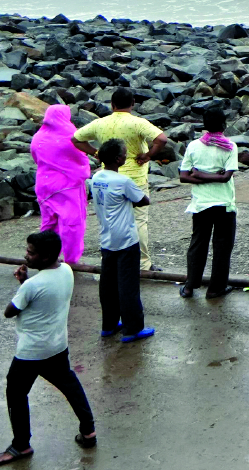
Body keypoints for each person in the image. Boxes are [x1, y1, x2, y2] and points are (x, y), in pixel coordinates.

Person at [0, 231, 94, 467]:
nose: (26, 255)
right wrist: (26, 282)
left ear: (45, 257)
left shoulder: (32, 285)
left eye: (31, 253)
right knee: (69, 384)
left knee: (15, 393)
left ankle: (21, 445)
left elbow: (10, 311)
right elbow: (45, 295)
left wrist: (23, 285)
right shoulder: (66, 270)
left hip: (31, 351)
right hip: (57, 345)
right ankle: (88, 430)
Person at [72, 89, 170, 270]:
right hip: (134, 178)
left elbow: (76, 139)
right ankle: (143, 264)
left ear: (112, 104)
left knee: (109, 218)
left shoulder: (100, 123)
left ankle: (111, 259)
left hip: (108, 178)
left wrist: (96, 152)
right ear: (133, 103)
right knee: (139, 220)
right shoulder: (138, 123)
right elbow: (161, 139)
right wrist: (148, 155)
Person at [89, 139, 151, 342]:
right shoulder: (122, 181)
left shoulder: (96, 177)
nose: (127, 156)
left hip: (106, 237)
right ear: (118, 158)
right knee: (128, 285)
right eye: (124, 153)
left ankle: (108, 324)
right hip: (125, 238)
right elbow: (143, 200)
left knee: (108, 284)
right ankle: (132, 328)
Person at [177, 107, 239, 299]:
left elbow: (184, 176)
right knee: (222, 247)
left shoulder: (194, 146)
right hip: (224, 204)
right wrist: (215, 175)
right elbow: (225, 177)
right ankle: (215, 288)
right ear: (223, 125)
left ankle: (189, 286)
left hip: (201, 204)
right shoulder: (229, 146)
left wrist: (200, 175)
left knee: (198, 244)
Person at [30, 98, 92, 265]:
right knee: (71, 224)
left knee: (48, 222)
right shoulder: (70, 136)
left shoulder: (38, 137)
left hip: (44, 184)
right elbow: (81, 159)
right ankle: (71, 260)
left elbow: (36, 159)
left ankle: (44, 256)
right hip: (67, 186)